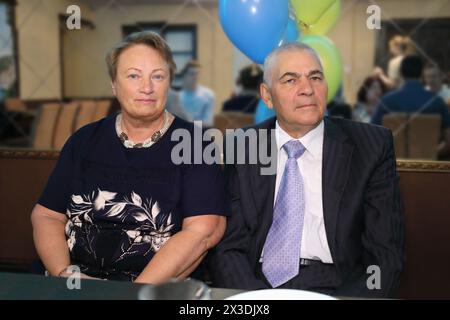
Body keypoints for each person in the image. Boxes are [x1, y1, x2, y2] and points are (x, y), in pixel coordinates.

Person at [210, 43, 404, 298]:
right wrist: (255, 303)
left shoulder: (370, 147)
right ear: (267, 96)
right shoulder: (244, 146)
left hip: (338, 286)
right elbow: (229, 248)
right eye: (290, 80)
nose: (307, 90)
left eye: (315, 77)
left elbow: (384, 255)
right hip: (257, 285)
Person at [31, 31, 227, 283]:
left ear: (169, 83)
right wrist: (64, 274)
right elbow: (47, 215)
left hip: (152, 289)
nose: (147, 87)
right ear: (114, 84)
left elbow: (203, 231)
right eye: (134, 75)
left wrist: (133, 293)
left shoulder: (195, 145)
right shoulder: (83, 141)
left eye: (158, 76)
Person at [371, 55, 450, 158]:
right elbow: (449, 142)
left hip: (393, 167)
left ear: (401, 73)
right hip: (428, 168)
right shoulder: (437, 102)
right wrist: (429, 154)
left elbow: (371, 137)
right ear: (422, 73)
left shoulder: (386, 101)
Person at [179, 60, 215, 126]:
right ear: (185, 75)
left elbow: (208, 121)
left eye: (197, 73)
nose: (195, 77)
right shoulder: (178, 97)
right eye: (192, 74)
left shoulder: (208, 95)